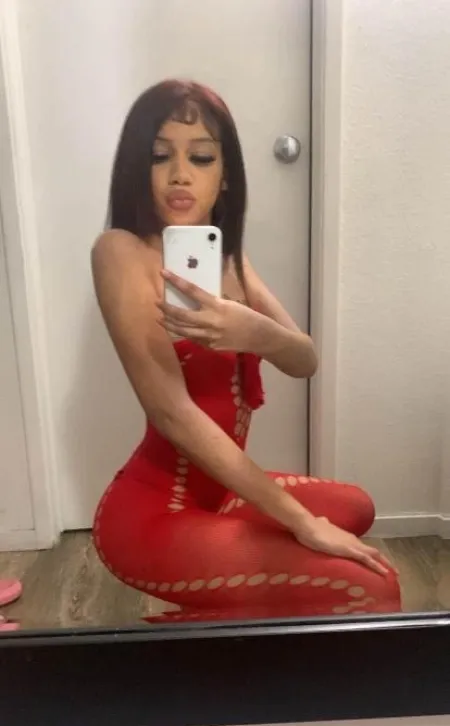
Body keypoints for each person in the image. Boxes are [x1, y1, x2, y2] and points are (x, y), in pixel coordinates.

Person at [91, 79, 401, 622]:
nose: (180, 173)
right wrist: (302, 523)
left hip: (220, 496)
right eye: (160, 156)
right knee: (371, 589)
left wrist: (253, 332)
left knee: (356, 508)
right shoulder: (120, 251)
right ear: (137, 168)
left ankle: (208, 630)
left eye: (201, 157)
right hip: (151, 514)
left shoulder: (227, 257)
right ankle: (174, 654)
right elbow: (173, 413)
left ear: (226, 174)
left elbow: (304, 361)